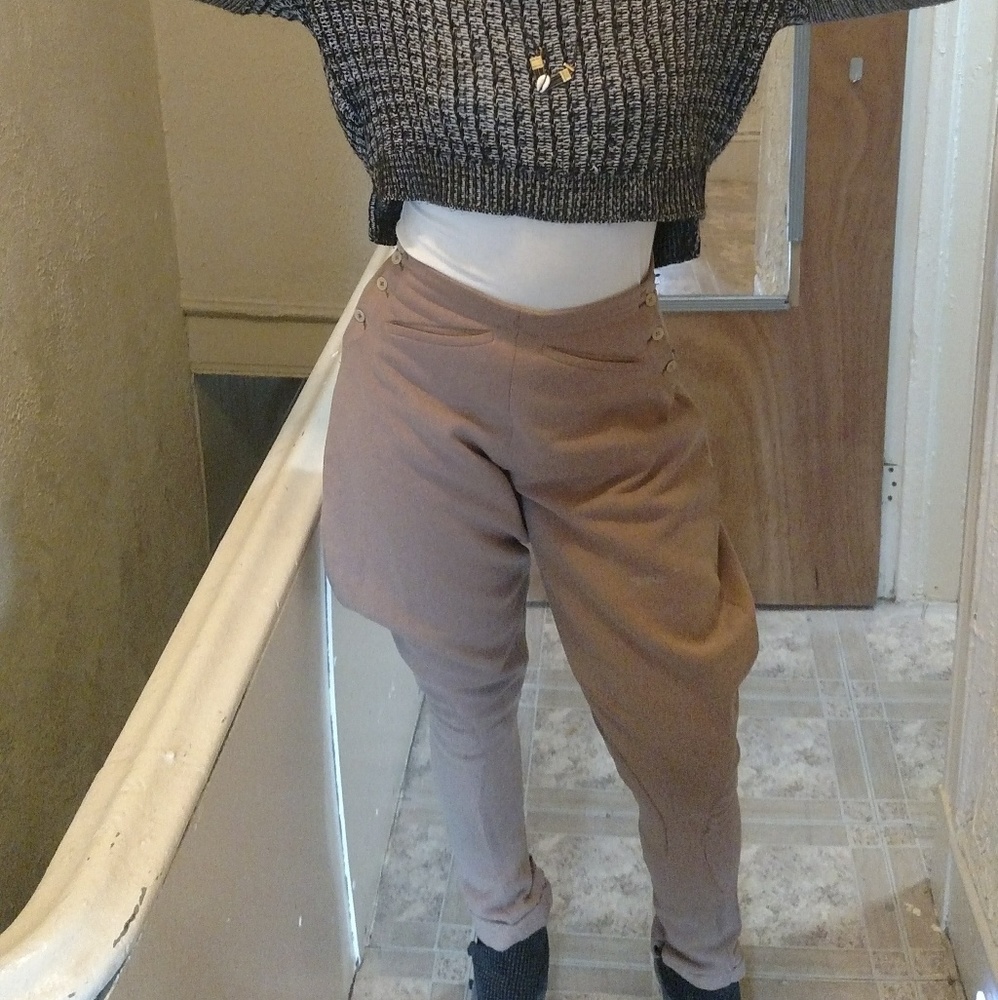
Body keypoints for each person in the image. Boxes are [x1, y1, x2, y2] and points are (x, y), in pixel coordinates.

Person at [196, 1, 951, 997]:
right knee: (463, 683)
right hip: (421, 371)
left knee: (682, 713)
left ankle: (701, 950)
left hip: (612, 387)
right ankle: (504, 927)